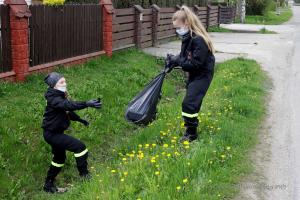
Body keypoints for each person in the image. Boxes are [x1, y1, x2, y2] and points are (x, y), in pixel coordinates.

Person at [42, 72, 102, 193]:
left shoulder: (59, 95)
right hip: (52, 134)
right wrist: (86, 103)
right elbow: (67, 105)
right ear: (54, 85)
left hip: (54, 133)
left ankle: (48, 186)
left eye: (65, 81)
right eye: (62, 82)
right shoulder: (54, 98)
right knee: (80, 147)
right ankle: (84, 176)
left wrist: (80, 120)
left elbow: (67, 111)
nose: (65, 83)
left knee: (59, 159)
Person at [166, 5, 215, 142]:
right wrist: (173, 60)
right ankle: (190, 130)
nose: (177, 31)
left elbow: (194, 63)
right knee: (192, 102)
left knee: (189, 103)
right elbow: (184, 56)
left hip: (203, 75)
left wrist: (179, 61)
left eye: (178, 27)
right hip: (195, 74)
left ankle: (192, 134)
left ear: (186, 23)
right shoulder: (188, 38)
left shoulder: (198, 40)